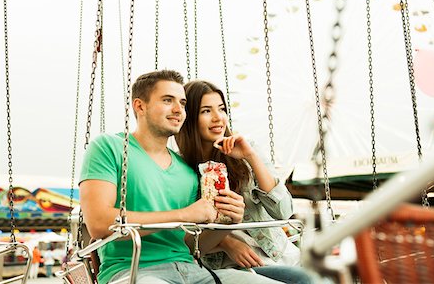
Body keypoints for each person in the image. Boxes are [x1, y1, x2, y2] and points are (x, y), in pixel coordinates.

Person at [79, 70, 284, 284]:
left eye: (183, 103)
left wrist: (229, 222)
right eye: (168, 100)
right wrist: (184, 214)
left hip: (192, 272)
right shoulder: (109, 148)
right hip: (133, 272)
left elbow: (192, 246)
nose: (178, 110)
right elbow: (99, 223)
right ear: (140, 106)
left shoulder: (187, 171)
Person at [175, 80, 311, 284]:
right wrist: (226, 242)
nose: (217, 118)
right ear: (190, 118)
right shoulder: (179, 168)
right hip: (228, 268)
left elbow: (283, 211)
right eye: (206, 111)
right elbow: (181, 238)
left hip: (276, 256)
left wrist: (250, 156)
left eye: (221, 109)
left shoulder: (247, 151)